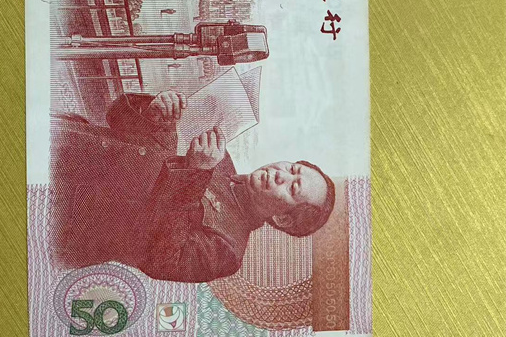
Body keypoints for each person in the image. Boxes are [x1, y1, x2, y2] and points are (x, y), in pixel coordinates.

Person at [52, 90, 335, 283]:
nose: (280, 175)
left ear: (283, 218)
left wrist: (194, 173)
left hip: (61, 214)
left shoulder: (228, 250)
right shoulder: (221, 161)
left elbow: (156, 257)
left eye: (292, 188)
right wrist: (156, 116)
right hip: (65, 142)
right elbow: (119, 123)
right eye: (292, 169)